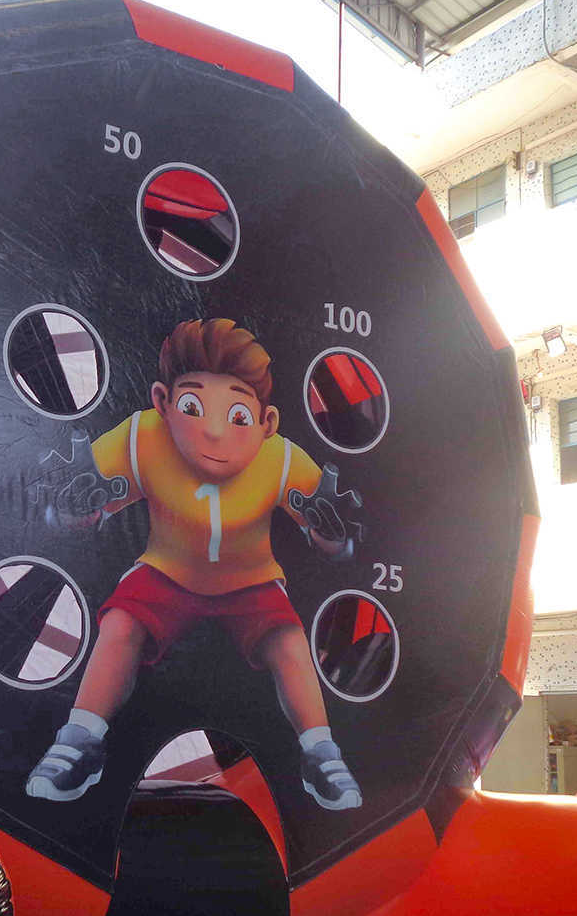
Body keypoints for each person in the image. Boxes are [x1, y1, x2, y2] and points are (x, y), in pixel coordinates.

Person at [28, 318, 364, 811]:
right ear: (163, 402)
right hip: (167, 571)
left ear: (267, 423)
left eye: (237, 415)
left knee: (288, 639)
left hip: (251, 580)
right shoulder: (142, 438)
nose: (213, 431)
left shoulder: (281, 459)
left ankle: (321, 752)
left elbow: (330, 538)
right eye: (192, 406)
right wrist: (75, 508)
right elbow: (82, 507)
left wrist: (331, 535)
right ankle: (79, 740)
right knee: (120, 624)